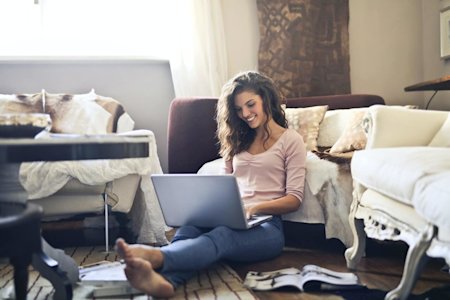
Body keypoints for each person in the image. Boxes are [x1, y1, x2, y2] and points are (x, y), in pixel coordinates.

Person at [115, 70, 307, 297]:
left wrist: (253, 208)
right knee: (189, 229)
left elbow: (294, 199)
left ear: (266, 98)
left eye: (250, 104)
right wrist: (209, 208)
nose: (245, 114)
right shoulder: (238, 139)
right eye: (238, 109)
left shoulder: (291, 140)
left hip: (267, 227)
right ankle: (165, 282)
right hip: (232, 215)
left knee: (221, 236)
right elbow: (224, 186)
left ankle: (159, 257)